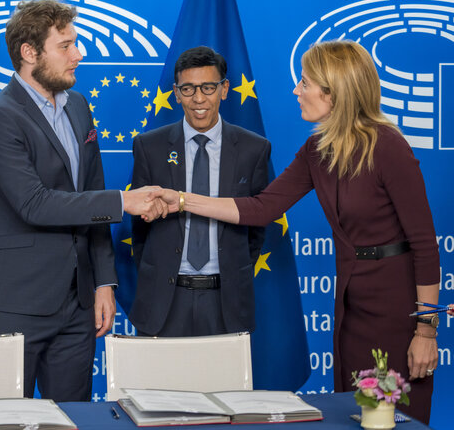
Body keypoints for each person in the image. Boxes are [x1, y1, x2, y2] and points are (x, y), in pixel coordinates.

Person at [149, 40, 438, 424]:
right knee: (353, 413)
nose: (295, 90)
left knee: (394, 417)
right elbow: (260, 207)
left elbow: (424, 245)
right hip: (351, 302)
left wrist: (426, 330)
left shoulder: (388, 147)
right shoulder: (317, 149)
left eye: (304, 82)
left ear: (334, 91)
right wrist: (182, 200)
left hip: (396, 306)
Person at [0, 0, 164, 401]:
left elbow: (89, 196)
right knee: (7, 422)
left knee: (74, 417)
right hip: (13, 300)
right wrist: (124, 202)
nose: (79, 55)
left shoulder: (78, 106)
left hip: (78, 305)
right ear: (29, 53)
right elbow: (34, 204)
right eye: (66, 46)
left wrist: (104, 282)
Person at [129, 46, 270, 337]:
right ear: (176, 93)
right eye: (188, 89)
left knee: (225, 384)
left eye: (208, 87)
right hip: (164, 301)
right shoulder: (149, 147)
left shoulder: (253, 149)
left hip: (226, 302)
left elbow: (256, 227)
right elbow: (140, 229)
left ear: (224, 89)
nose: (198, 98)